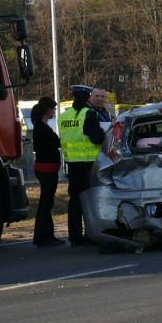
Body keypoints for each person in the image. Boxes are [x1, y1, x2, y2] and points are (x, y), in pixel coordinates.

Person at [59, 84, 106, 246]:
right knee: (89, 200)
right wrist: (104, 133)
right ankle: (90, 235)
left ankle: (74, 236)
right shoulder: (89, 114)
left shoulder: (64, 116)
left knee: (74, 201)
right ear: (88, 98)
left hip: (71, 163)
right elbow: (95, 137)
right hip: (88, 162)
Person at [31, 96, 64, 248]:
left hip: (44, 168)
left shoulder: (39, 127)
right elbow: (52, 145)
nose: (54, 112)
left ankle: (47, 235)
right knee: (45, 204)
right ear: (47, 110)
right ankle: (42, 236)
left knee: (46, 203)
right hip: (47, 169)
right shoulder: (42, 128)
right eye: (53, 109)